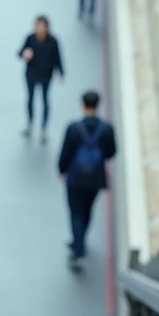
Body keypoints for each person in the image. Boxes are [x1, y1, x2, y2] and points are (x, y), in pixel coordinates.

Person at [58, 91, 117, 270]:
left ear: (82, 105)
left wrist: (61, 170)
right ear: (97, 105)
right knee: (87, 209)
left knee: (75, 212)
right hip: (96, 178)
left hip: (75, 178)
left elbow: (65, 152)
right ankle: (81, 238)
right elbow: (111, 152)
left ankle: (78, 250)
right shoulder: (107, 129)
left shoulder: (74, 128)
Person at [18, 15, 64, 142]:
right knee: (30, 99)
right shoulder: (30, 39)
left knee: (45, 100)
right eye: (37, 26)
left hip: (46, 76)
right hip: (31, 75)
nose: (39, 29)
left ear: (47, 27)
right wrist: (25, 54)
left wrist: (61, 73)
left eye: (42, 26)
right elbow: (19, 52)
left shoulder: (53, 41)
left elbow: (57, 58)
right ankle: (30, 123)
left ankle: (44, 128)